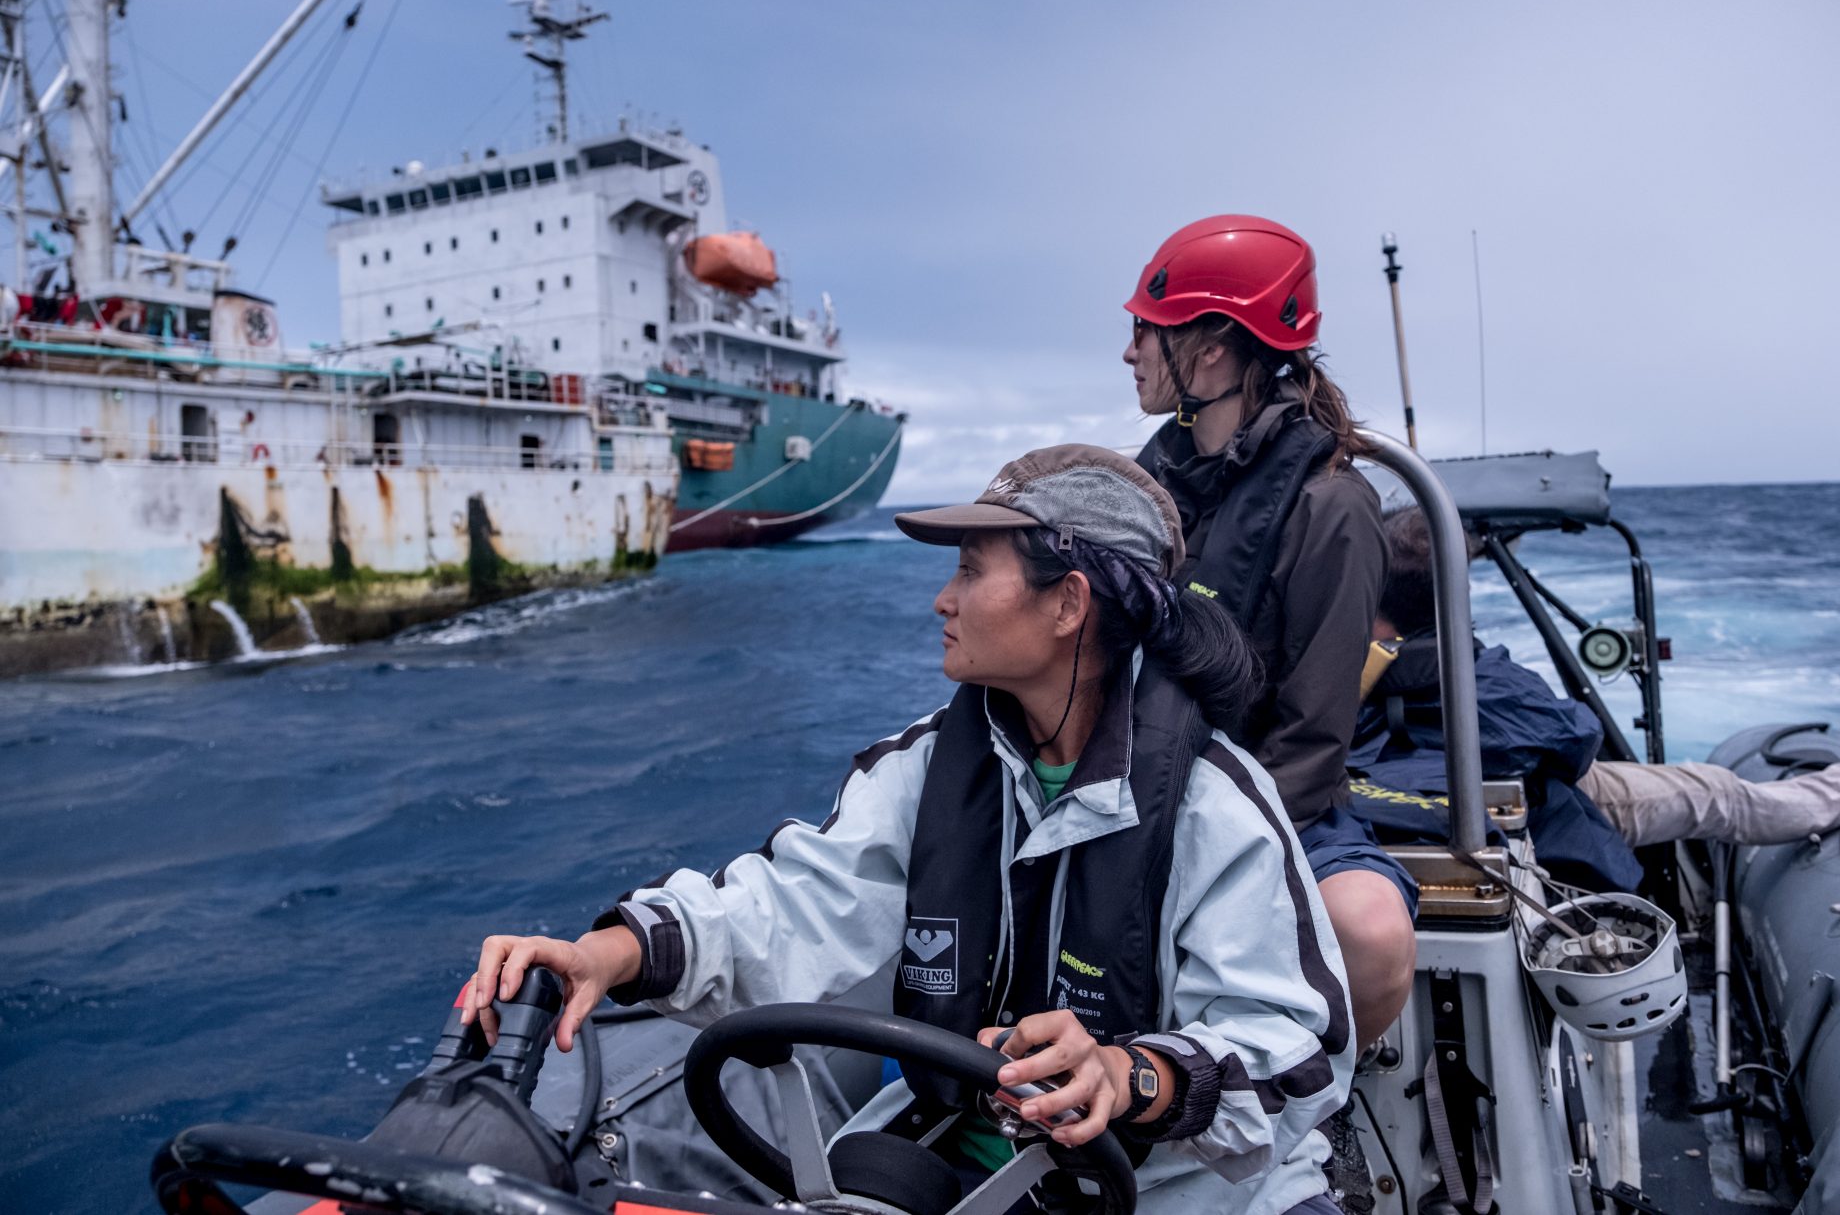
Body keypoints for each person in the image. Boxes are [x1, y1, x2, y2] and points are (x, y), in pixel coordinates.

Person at [464, 445, 1355, 1215]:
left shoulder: (1215, 804)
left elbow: (1295, 1047)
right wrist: (608, 954)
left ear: (1069, 603)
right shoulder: (928, 769)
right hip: (964, 1171)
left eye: (970, 569)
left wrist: (1131, 1077)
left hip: (1174, 1192)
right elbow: (793, 904)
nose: (943, 599)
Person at [1123, 215, 1417, 1051]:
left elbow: (1312, 741)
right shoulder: (1148, 485)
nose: (1131, 350)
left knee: (1368, 931)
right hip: (1139, 779)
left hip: (1276, 803)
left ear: (1211, 346)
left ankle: (1318, 1106)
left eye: (1148, 327)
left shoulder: (1334, 507)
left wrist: (1191, 859)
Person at [1353, 507, 1840, 882]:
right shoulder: (1481, 681)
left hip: (1363, 818)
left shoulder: (1314, 660)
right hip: (1501, 815)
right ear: (1447, 600)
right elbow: (1574, 741)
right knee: (1716, 794)